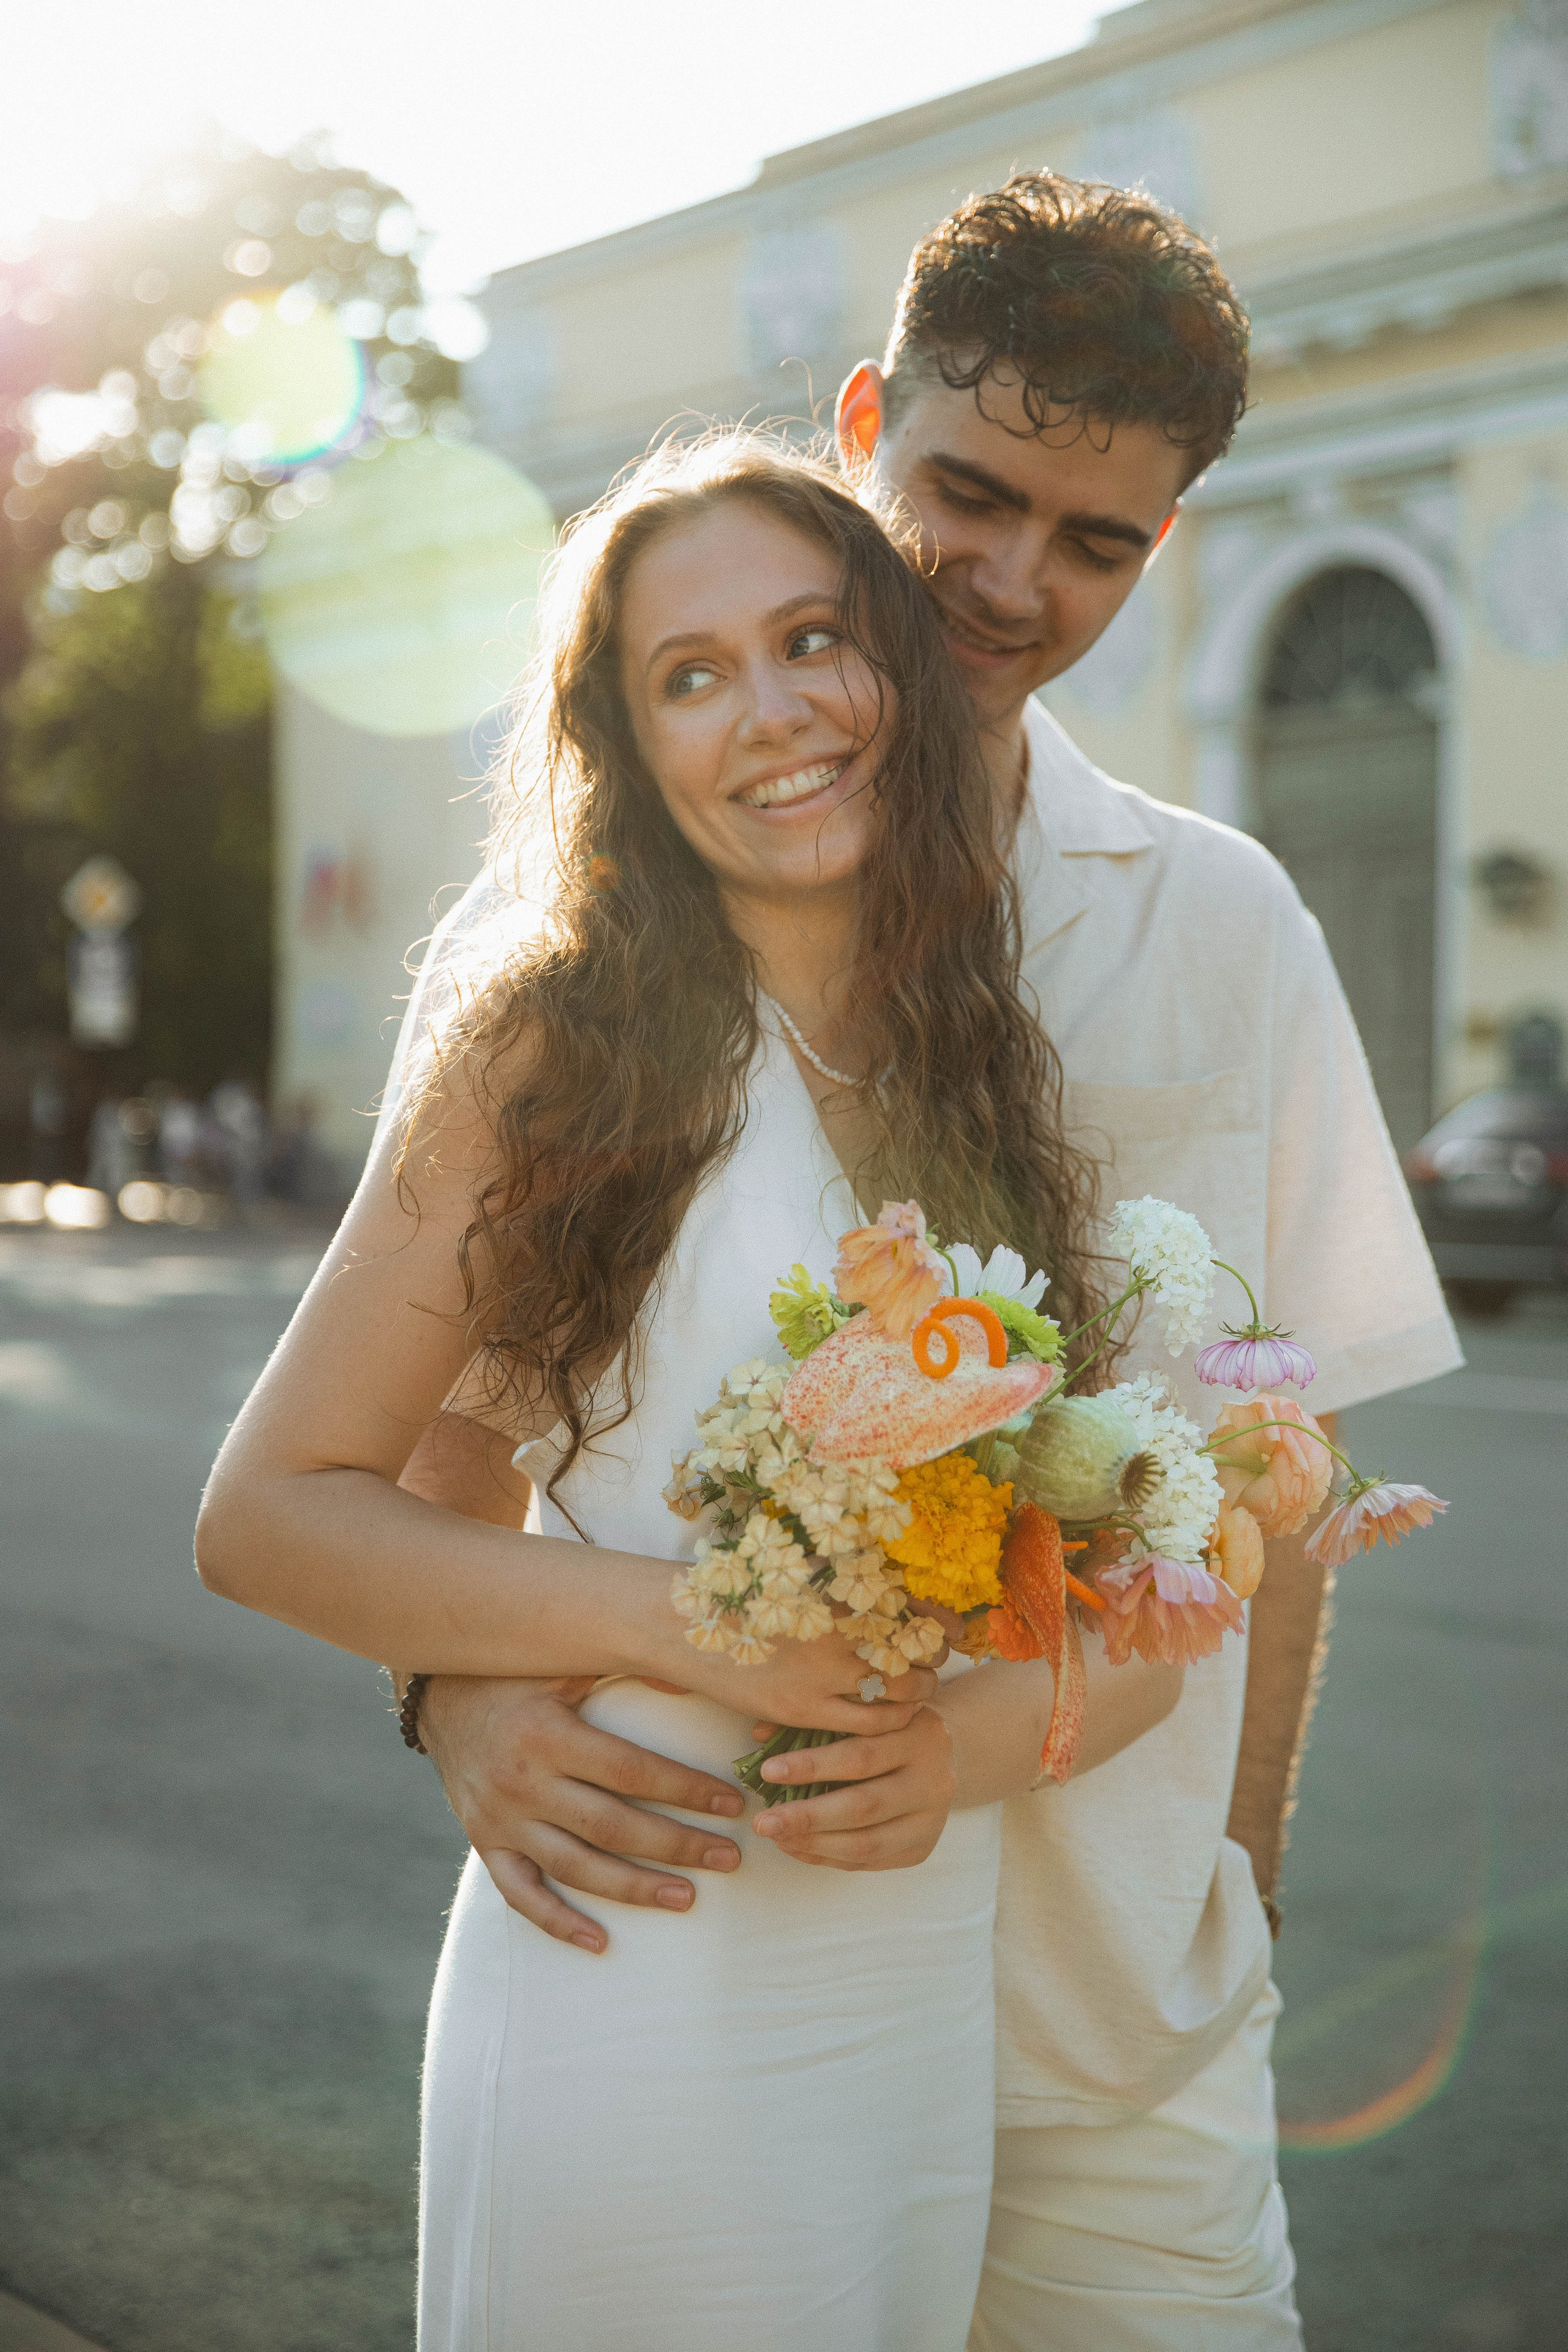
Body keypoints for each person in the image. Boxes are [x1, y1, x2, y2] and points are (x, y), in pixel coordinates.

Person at [399, 176, 1460, 2346]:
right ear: (868, 418)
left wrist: (1231, 1873)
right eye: (969, 495)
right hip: (721, 1944)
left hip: (1118, 2019)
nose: (1014, 581)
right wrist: (459, 1702)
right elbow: (436, 1428)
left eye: (1102, 542)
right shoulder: (586, 936)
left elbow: (1290, 1483)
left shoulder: (1227, 920)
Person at [195, 432, 1181, 2350]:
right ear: (628, 751)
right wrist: (685, 1631)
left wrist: (958, 1755)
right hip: (632, 1963)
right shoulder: (556, 1041)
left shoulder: (984, 1054)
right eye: (692, 674)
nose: (776, 711)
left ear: (892, 664)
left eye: (814, 637)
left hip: (904, 2008)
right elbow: (273, 1510)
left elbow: (1136, 1592)